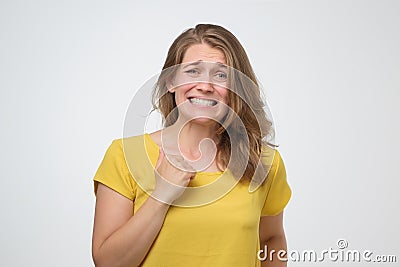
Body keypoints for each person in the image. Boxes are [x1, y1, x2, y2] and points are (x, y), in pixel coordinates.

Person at [92, 24, 292, 267]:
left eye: (221, 75)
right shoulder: (124, 155)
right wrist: (161, 196)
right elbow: (108, 263)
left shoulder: (262, 162)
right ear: (170, 82)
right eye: (193, 72)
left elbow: (271, 238)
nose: (205, 85)